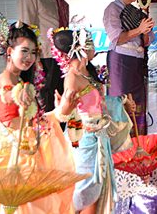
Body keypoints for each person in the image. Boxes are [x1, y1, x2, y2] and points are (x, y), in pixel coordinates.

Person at [0, 20, 76, 214]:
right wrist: (17, 95)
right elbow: (7, 95)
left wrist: (60, 111)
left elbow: (35, 122)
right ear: (10, 51)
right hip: (10, 159)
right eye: (24, 51)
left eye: (33, 53)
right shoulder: (6, 79)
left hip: (29, 154)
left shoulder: (22, 81)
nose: (29, 57)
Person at [49, 28, 117, 214]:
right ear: (80, 48)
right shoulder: (72, 78)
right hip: (84, 137)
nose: (94, 46)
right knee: (84, 191)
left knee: (95, 190)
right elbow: (63, 112)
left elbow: (99, 103)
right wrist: (62, 109)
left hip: (98, 137)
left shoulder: (87, 72)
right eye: (90, 43)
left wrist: (124, 102)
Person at [103, 0, 154, 135]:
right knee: (122, 101)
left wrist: (145, 32)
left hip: (137, 61)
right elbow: (116, 38)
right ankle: (120, 145)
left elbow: (147, 41)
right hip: (121, 61)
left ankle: (138, 144)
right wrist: (139, 30)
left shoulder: (138, 12)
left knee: (138, 102)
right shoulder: (112, 9)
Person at [18, 0, 69, 113]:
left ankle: (59, 137)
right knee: (46, 103)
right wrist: (36, 59)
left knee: (61, 102)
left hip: (58, 57)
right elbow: (27, 29)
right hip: (43, 58)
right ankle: (46, 138)